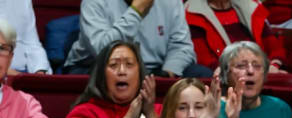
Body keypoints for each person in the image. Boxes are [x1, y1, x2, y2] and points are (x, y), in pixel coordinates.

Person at [63, 0, 208, 77]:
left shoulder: (170, 2)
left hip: (155, 70)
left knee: (201, 74)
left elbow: (182, 47)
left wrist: (168, 72)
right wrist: (136, 12)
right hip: (98, 67)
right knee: (119, 78)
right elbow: (103, 50)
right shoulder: (94, 2)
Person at [216, 41, 291, 118]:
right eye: (241, 66)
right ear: (225, 74)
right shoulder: (214, 110)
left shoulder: (280, 108)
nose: (250, 71)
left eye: (257, 66)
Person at [184, 0, 287, 72]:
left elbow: (275, 48)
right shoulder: (192, 13)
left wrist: (274, 65)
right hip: (224, 76)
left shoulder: (251, 7)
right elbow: (205, 60)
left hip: (261, 71)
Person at [0, 4, 51, 74]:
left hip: (24, 72)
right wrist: (18, 76)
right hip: (8, 73)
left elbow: (32, 42)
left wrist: (40, 71)